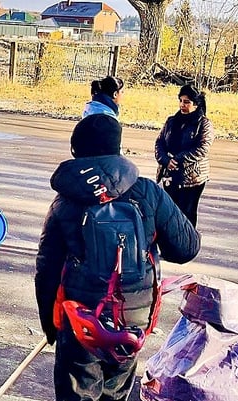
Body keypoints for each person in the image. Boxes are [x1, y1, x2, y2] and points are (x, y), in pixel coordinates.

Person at [35, 114, 199, 401]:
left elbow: (46, 268)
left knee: (77, 392)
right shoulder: (147, 191)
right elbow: (186, 247)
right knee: (116, 390)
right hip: (133, 314)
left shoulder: (65, 200)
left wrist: (51, 326)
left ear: (77, 149)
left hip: (81, 317)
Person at [154, 85, 213, 227]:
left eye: (187, 102)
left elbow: (202, 148)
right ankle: (169, 246)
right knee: (168, 214)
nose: (182, 105)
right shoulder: (172, 121)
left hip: (193, 178)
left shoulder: (203, 123)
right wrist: (166, 160)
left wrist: (178, 159)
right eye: (181, 101)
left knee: (187, 215)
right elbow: (159, 143)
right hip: (170, 174)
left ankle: (187, 245)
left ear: (196, 104)